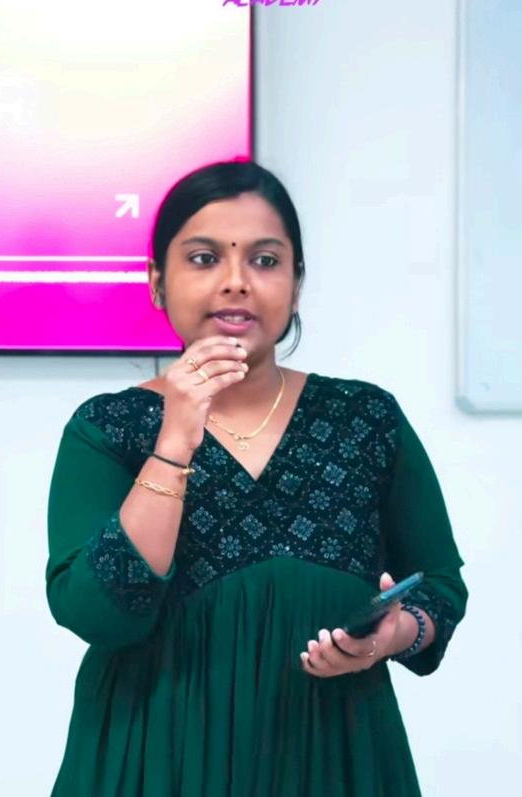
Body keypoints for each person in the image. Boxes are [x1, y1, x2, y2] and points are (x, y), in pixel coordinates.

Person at [46, 160, 468, 796]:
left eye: (265, 261)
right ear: (158, 283)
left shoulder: (365, 418)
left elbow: (439, 587)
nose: (237, 282)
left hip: (333, 753)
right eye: (204, 258)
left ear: (296, 285)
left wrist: (396, 634)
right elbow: (99, 615)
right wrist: (175, 440)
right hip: (157, 757)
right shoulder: (107, 428)